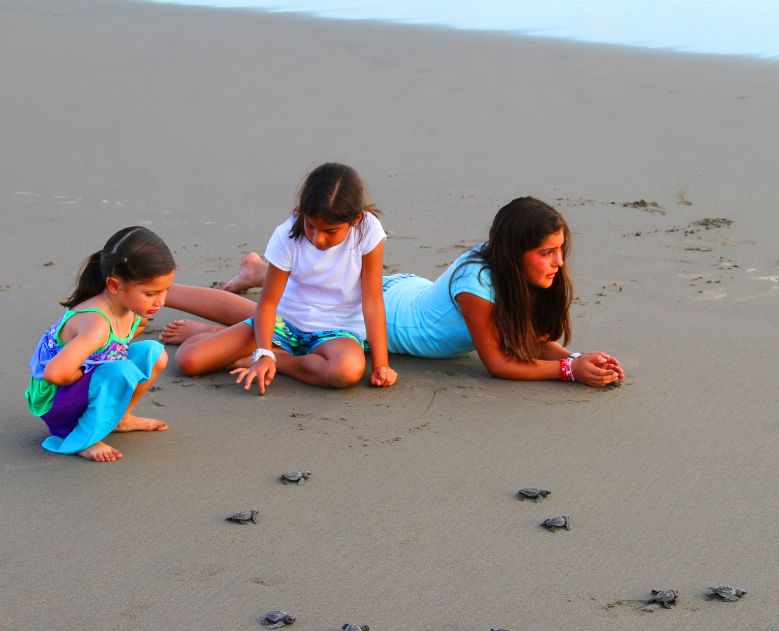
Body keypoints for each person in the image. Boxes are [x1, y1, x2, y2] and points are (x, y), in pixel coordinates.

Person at [162, 197, 623, 386]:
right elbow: (499, 363)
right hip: (383, 312)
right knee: (277, 307)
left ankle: (259, 269)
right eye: (546, 252)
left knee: (299, 288)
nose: (558, 262)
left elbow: (521, 338)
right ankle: (165, 293)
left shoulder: (512, 271)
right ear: (516, 251)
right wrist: (567, 370)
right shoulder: (477, 287)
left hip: (404, 293)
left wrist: (572, 355)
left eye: (559, 250)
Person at [168, 162, 397, 394]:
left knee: (346, 371)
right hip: (284, 322)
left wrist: (381, 365)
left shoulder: (368, 230)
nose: (317, 238)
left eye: (330, 231)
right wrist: (264, 350)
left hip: (337, 331)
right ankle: (246, 345)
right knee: (189, 361)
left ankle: (271, 360)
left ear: (356, 218)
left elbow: (373, 300)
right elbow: (267, 303)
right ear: (301, 212)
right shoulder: (287, 235)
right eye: (310, 225)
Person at [26, 226, 175, 462]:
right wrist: (87, 374)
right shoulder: (96, 325)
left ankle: (121, 418)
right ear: (114, 285)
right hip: (55, 399)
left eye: (166, 290)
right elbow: (55, 373)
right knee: (120, 371)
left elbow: (118, 344)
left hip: (84, 381)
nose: (162, 300)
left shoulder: (132, 309)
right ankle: (80, 437)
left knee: (154, 353)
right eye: (150, 293)